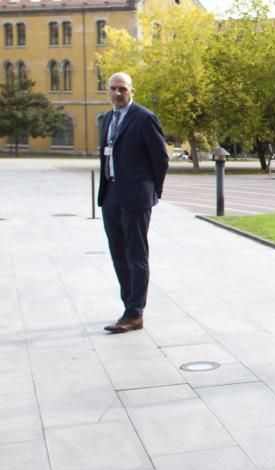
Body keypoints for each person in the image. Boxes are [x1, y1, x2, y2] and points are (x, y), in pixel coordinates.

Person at [97, 72, 168, 334]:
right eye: (113, 89)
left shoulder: (144, 118)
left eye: (123, 89)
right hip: (111, 194)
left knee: (135, 254)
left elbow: (161, 159)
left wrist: (152, 191)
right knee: (118, 254)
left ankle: (135, 312)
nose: (118, 93)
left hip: (136, 197)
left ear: (132, 92)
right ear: (108, 92)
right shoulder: (106, 119)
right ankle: (128, 305)